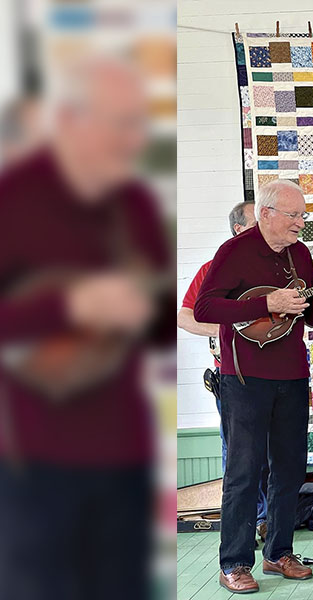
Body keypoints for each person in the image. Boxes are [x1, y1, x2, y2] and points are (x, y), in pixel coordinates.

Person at [0, 57, 172, 600]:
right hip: (30, 455)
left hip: (123, 451)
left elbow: (165, 329)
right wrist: (70, 306)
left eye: (137, 122)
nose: (133, 138)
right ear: (69, 119)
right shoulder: (14, 196)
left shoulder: (136, 205)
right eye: (119, 121)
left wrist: (142, 312)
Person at [194, 179, 313, 594]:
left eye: (302, 215)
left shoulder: (299, 254)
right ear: (266, 214)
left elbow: (307, 316)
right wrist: (266, 303)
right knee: (244, 471)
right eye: (294, 215)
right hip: (244, 378)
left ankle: (279, 553)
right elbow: (206, 306)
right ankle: (235, 563)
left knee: (289, 467)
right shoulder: (234, 252)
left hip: (292, 375)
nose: (301, 222)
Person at [178, 201, 271, 543]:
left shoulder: (278, 269)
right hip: (232, 377)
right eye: (257, 221)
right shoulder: (211, 269)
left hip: (276, 376)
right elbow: (185, 316)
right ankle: (251, 523)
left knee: (274, 452)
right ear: (238, 229)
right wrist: (220, 330)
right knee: (238, 455)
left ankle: (270, 521)